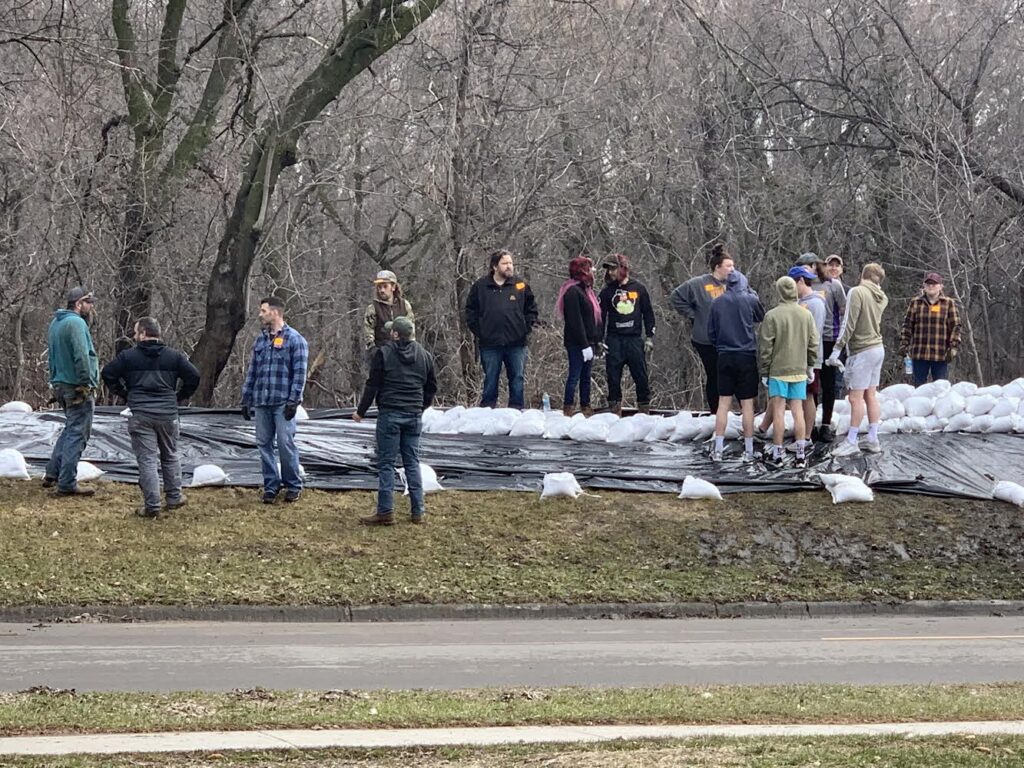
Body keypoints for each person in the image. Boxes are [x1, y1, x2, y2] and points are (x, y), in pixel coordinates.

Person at [101, 317, 201, 518]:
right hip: (167, 413)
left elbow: (108, 373)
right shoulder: (174, 356)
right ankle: (174, 497)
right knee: (170, 455)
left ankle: (152, 504)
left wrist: (125, 393)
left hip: (141, 414)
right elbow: (194, 376)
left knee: (147, 460)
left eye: (136, 333)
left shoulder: (128, 357)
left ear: (144, 334)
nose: (134, 336)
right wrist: (179, 396)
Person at [353, 316, 438, 526]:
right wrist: (420, 407)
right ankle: (418, 511)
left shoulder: (384, 354)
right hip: (413, 416)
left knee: (386, 464)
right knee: (412, 462)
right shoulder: (425, 356)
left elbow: (372, 385)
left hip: (390, 414)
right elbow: (432, 387)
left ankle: (385, 511)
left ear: (395, 334)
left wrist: (361, 412)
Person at [240, 296, 309, 504]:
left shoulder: (295, 340)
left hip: (282, 402)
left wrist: (293, 401)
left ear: (275, 312)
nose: (260, 315)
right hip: (262, 401)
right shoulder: (260, 340)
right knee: (263, 444)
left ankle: (293, 485)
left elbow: (300, 374)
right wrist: (246, 397)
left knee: (286, 443)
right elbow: (253, 371)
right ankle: (271, 485)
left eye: (263, 311)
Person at [828, 263, 889, 457]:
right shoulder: (881, 296)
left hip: (862, 350)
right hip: (877, 348)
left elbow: (849, 323)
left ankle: (852, 440)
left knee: (855, 397)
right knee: (871, 394)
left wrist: (836, 349)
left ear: (863, 274)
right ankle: (873, 437)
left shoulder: (857, 292)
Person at [43, 287, 100, 496]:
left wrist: (55, 381)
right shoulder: (76, 323)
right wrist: (85, 384)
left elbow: (52, 357)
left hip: (60, 384)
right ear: (78, 304)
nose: (91, 307)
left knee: (70, 428)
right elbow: (82, 356)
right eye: (89, 303)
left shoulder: (55, 323)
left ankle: (53, 472)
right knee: (78, 433)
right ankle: (67, 483)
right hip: (76, 386)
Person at [758, 276, 818, 469]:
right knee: (798, 411)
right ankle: (800, 454)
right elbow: (813, 343)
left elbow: (766, 346)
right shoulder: (806, 314)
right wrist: (810, 366)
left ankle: (777, 454)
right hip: (799, 371)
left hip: (778, 371)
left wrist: (765, 371)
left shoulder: (772, 316)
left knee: (778, 411)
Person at [465, 249, 538, 409]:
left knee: (517, 378)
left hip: (517, 343)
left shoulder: (520, 285)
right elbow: (471, 311)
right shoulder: (480, 286)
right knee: (491, 379)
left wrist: (525, 328)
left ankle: (516, 410)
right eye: (504, 263)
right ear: (494, 266)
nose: (509, 266)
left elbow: (531, 309)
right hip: (490, 343)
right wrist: (481, 331)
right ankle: (487, 411)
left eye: (510, 263)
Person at [670, 242, 735, 413]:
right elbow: (676, 296)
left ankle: (728, 411)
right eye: (728, 266)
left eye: (733, 265)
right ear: (717, 267)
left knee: (729, 376)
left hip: (728, 339)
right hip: (705, 339)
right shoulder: (698, 284)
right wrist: (693, 314)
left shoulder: (734, 284)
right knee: (714, 375)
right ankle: (716, 412)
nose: (732, 269)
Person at [707, 270, 764, 461]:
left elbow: (711, 334)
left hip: (724, 355)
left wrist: (721, 346)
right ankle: (748, 450)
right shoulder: (749, 300)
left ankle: (718, 449)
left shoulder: (717, 303)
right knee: (747, 404)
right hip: (746, 355)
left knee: (723, 402)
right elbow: (760, 316)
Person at [599, 253, 656, 414]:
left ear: (623, 268)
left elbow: (648, 313)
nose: (610, 272)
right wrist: (598, 340)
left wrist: (649, 337)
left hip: (634, 339)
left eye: (613, 268)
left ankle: (644, 410)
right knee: (613, 378)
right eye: (608, 269)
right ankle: (614, 411)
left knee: (641, 376)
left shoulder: (639, 289)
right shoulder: (607, 292)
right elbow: (601, 318)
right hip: (614, 340)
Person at [799, 252, 847, 442]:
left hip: (828, 338)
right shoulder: (801, 285)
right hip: (807, 339)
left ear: (814, 266)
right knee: (811, 386)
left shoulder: (833, 285)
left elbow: (844, 311)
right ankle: (809, 426)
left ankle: (825, 424)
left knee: (829, 384)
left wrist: (840, 341)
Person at [555, 256, 602, 416]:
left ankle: (585, 405)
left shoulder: (587, 291)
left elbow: (592, 319)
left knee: (586, 376)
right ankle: (568, 407)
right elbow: (576, 322)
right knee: (575, 374)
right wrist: (584, 345)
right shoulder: (572, 292)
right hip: (577, 343)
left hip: (588, 341)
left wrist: (596, 341)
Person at [899, 272, 961, 386]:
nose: (931, 286)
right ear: (924, 285)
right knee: (918, 387)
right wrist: (904, 344)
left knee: (941, 388)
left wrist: (953, 347)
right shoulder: (915, 303)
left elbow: (955, 326)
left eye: (934, 284)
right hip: (919, 353)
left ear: (941, 286)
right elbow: (907, 325)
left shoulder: (948, 303)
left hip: (940, 354)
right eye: (928, 284)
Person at [791, 266, 826, 449]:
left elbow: (815, 334)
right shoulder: (800, 302)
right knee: (802, 395)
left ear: (801, 281)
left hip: (810, 358)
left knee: (808, 395)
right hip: (798, 356)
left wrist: (810, 361)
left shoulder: (815, 303)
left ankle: (806, 436)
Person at [363, 270, 414, 351]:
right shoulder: (373, 308)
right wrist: (374, 352)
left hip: (403, 353)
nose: (382, 290)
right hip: (382, 353)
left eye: (385, 286)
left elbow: (411, 331)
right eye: (379, 287)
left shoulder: (405, 305)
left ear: (393, 287)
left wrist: (410, 350)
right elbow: (368, 334)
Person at [824, 254, 849, 406]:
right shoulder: (819, 287)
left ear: (841, 269)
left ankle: (837, 411)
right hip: (824, 337)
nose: (833, 268)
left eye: (837, 265)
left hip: (841, 338)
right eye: (830, 265)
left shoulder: (849, 290)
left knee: (838, 379)